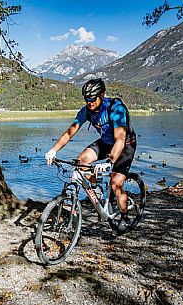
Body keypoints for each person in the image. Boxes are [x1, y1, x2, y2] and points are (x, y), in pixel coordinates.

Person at [45, 78, 137, 232]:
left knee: (115, 183)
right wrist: (53, 151)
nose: (90, 102)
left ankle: (125, 216)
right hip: (106, 142)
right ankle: (96, 189)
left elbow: (120, 139)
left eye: (93, 98)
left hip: (125, 145)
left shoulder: (116, 108)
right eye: (86, 99)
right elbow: (69, 133)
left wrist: (109, 161)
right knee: (82, 161)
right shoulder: (86, 111)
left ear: (102, 94)